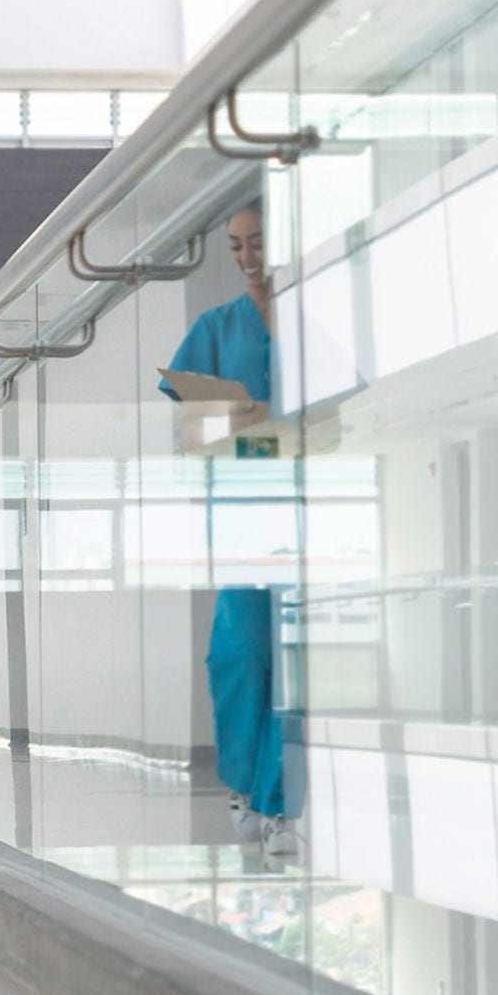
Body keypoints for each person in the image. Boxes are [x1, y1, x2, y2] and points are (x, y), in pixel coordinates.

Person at [160, 206, 301, 859]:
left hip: (319, 510)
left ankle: (279, 804)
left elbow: (345, 411)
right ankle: (246, 785)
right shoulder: (216, 328)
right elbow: (192, 432)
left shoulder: (317, 321)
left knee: (300, 657)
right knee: (241, 651)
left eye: (259, 241)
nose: (247, 256)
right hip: (246, 514)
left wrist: (255, 413)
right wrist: (263, 417)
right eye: (237, 245)